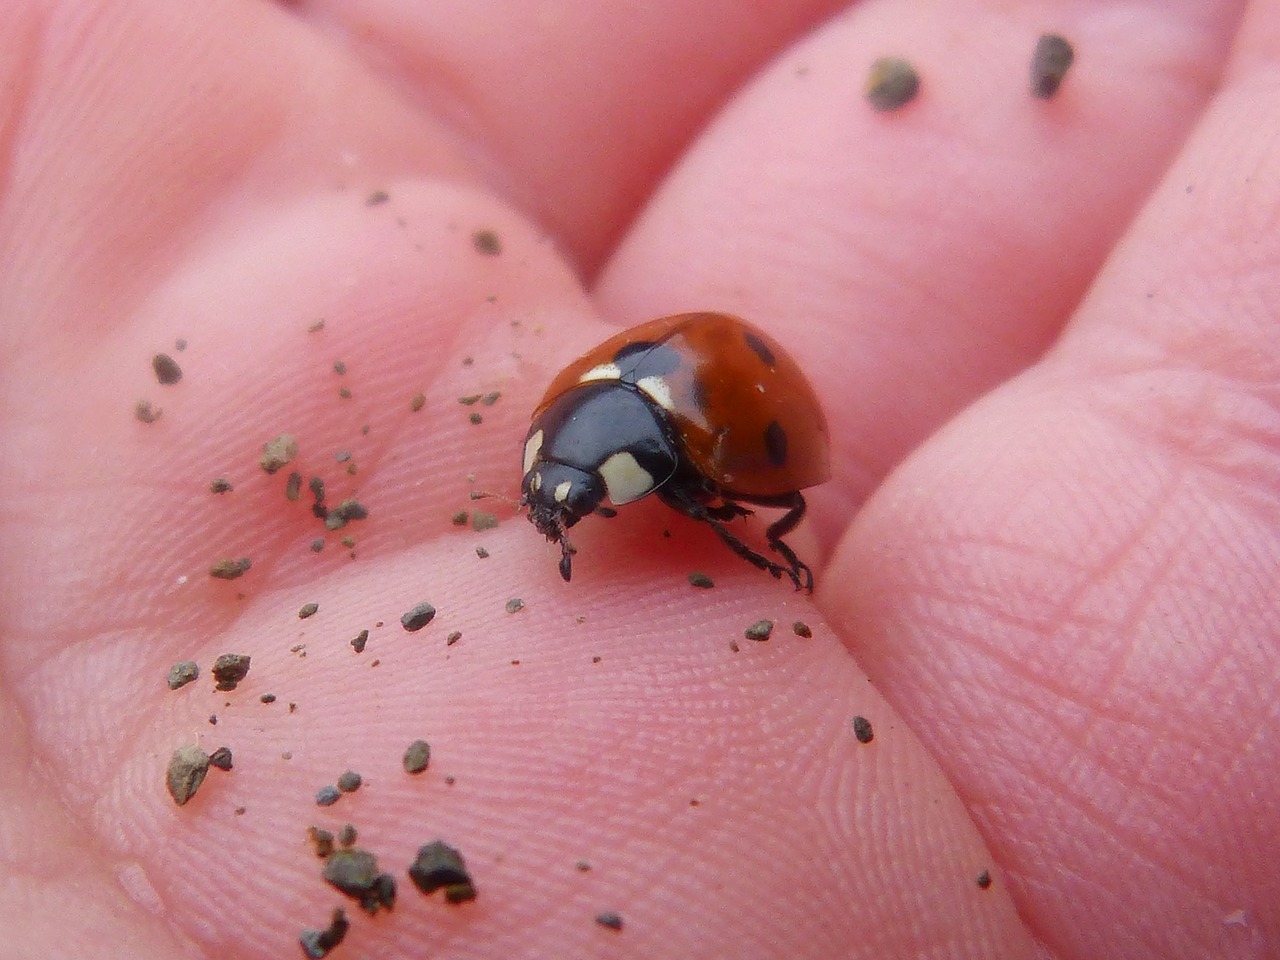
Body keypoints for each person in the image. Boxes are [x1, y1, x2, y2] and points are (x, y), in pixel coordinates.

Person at [1, 1, 1274, 957]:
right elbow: (596, 439)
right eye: (566, 492)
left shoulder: (686, 459)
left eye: (580, 494)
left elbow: (719, 480)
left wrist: (724, 529)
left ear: (635, 474)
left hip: (694, 412)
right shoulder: (583, 427)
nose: (568, 509)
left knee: (738, 516)